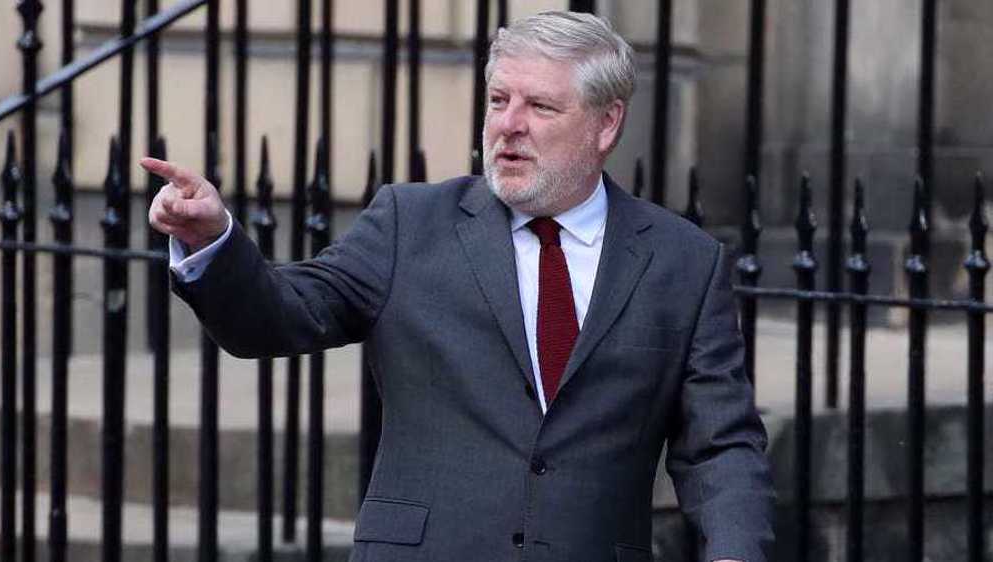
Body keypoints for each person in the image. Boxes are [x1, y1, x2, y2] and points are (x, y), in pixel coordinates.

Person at [143, 10, 774, 562]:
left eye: (541, 106)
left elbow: (721, 445)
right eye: (499, 101)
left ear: (607, 125)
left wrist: (735, 551)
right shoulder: (408, 224)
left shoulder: (682, 263)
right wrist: (214, 240)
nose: (510, 125)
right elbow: (277, 316)